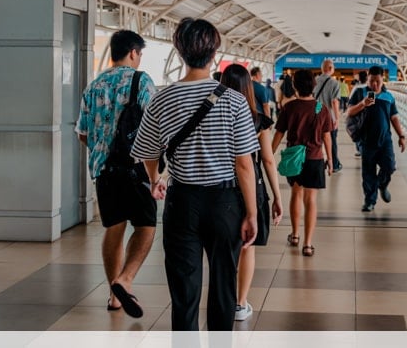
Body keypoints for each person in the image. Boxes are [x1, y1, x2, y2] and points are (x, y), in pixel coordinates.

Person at [131, 18, 259, 331]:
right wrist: (252, 213)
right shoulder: (234, 100)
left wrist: (155, 179)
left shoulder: (161, 98)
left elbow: (147, 153)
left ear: (180, 51)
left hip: (182, 201)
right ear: (215, 52)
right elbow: (244, 164)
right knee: (223, 285)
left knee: (184, 291)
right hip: (225, 202)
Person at [76, 30, 157, 317]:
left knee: (114, 226)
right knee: (146, 226)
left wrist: (103, 148)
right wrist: (156, 173)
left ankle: (114, 295)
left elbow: (83, 133)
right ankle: (125, 279)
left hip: (104, 170)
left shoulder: (94, 85)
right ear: (133, 52)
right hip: (135, 167)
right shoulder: (141, 81)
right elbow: (153, 130)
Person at [219, 64, 283, 322]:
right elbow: (267, 160)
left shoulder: (214, 114)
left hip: (220, 187)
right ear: (249, 87)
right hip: (250, 187)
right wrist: (277, 197)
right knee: (248, 247)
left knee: (223, 249)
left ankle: (222, 299)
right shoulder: (257, 119)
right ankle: (240, 303)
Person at [272, 69, 332, 256]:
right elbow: (327, 136)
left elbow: (279, 133)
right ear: (313, 86)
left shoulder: (289, 107)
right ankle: (307, 244)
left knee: (296, 194)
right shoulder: (321, 108)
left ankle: (295, 234)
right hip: (314, 158)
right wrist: (330, 159)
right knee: (311, 199)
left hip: (294, 159)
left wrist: (269, 154)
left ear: (295, 86)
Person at [347, 65, 407, 213]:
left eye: (377, 81)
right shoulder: (360, 92)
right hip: (366, 140)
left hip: (385, 139)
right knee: (368, 172)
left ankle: (382, 184)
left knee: (390, 166)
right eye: (371, 81)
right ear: (367, 78)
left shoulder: (389, 96)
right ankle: (370, 201)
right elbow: (349, 112)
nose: (374, 84)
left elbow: (394, 117)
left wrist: (401, 136)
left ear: (383, 79)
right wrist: (363, 104)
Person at [313, 59, 342, 172]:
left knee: (316, 141)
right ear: (330, 69)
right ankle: (334, 164)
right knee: (332, 141)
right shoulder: (334, 83)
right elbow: (334, 102)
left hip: (315, 114)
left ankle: (317, 163)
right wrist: (337, 118)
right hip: (329, 117)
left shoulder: (314, 81)